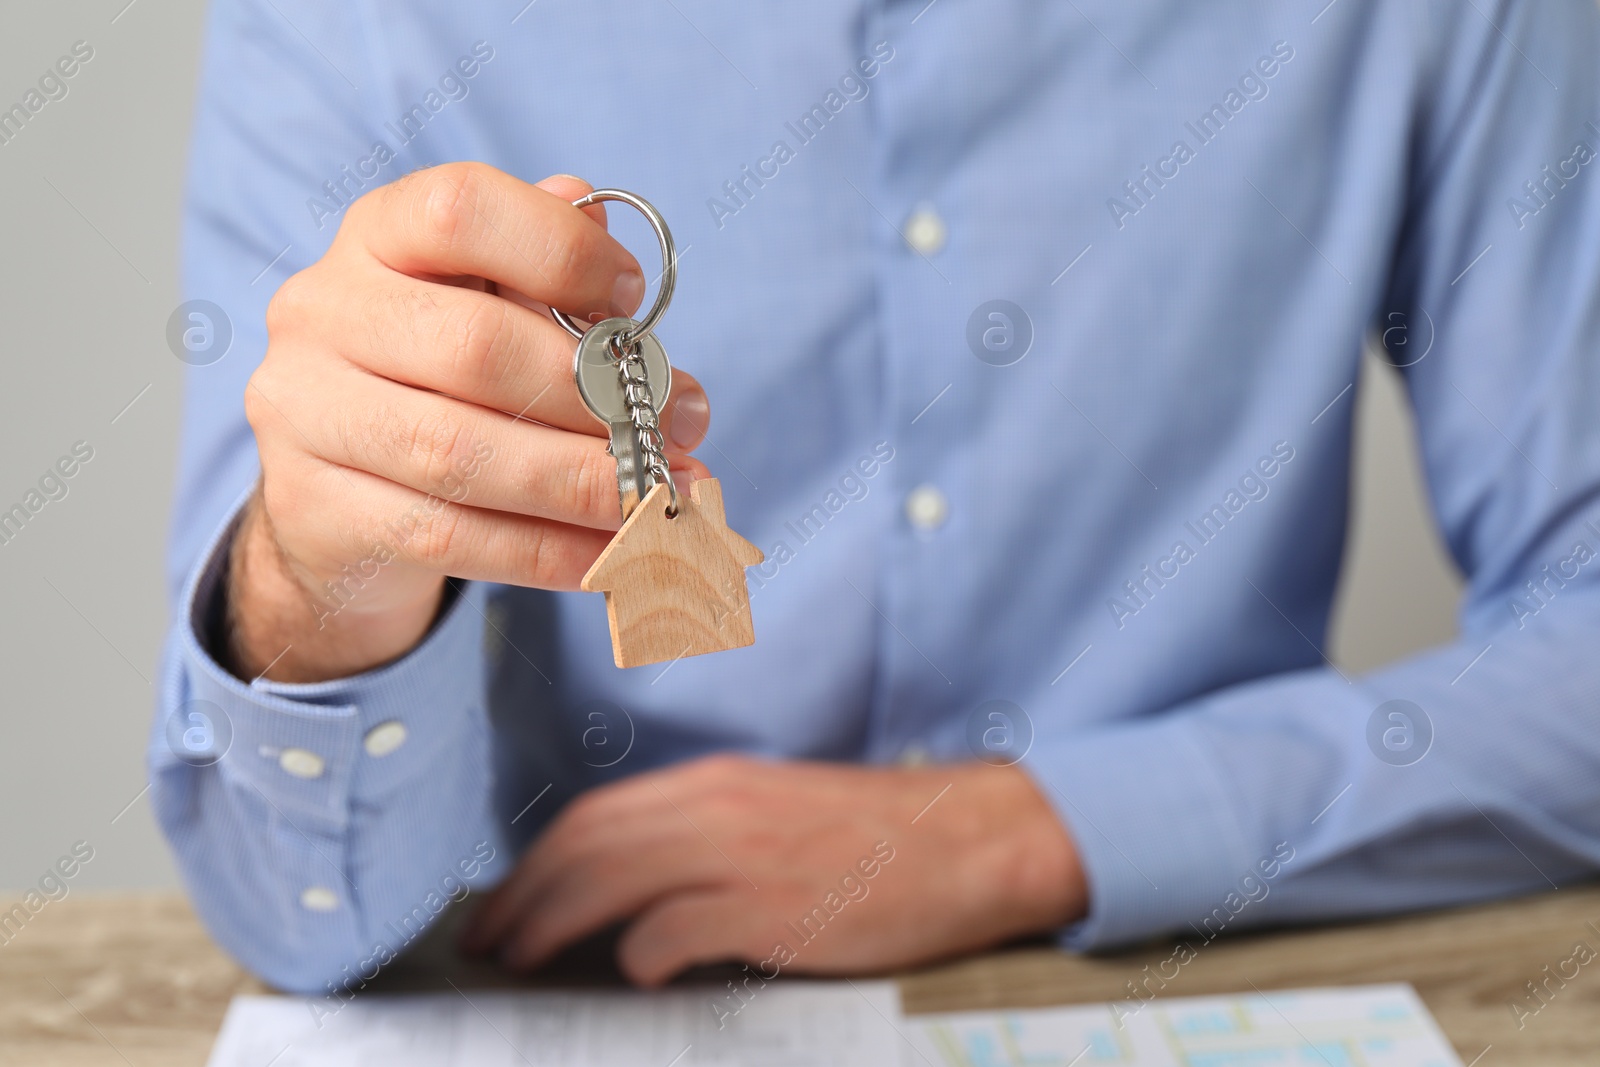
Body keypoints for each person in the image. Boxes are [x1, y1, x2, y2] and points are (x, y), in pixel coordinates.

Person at [151, 0, 1600, 996]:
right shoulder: (356, 19)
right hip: (594, 982)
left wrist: (1042, 827)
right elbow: (299, 924)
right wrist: (318, 594)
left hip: (1202, 974)